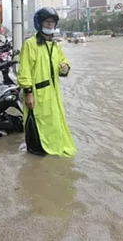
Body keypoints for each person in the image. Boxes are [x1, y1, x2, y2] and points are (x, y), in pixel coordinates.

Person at [18, 8, 76, 157]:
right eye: (48, 22)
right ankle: (39, 153)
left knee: (55, 124)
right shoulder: (30, 44)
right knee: (39, 124)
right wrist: (28, 93)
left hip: (53, 95)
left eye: (53, 22)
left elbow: (63, 63)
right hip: (37, 95)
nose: (51, 25)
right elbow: (24, 71)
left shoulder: (55, 46)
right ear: (40, 23)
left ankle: (55, 152)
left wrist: (65, 67)